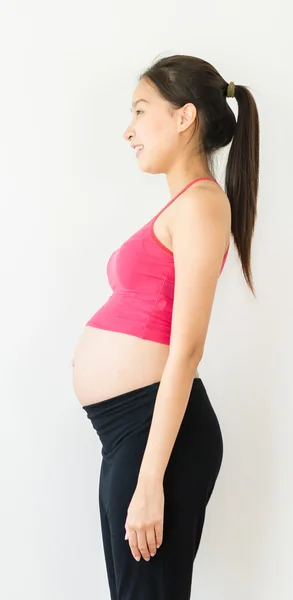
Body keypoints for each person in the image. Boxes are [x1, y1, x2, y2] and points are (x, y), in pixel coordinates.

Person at [72, 53, 260, 600]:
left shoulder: (202, 204)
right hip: (128, 432)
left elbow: (188, 348)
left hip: (158, 433)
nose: (128, 130)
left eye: (139, 110)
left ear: (183, 118)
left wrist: (151, 479)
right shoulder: (183, 206)